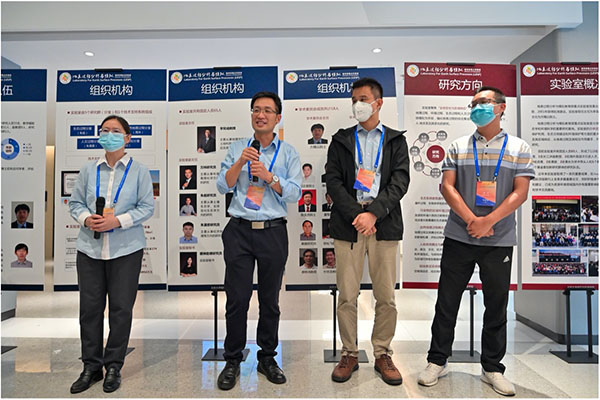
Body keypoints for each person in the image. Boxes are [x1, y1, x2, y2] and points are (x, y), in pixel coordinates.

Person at [417, 87, 534, 396]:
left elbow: (521, 191)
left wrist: (488, 221)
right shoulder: (458, 146)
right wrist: (472, 220)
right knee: (447, 301)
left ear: (501, 107)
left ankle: (492, 367)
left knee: (496, 305)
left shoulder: (518, 147)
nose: (476, 108)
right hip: (459, 235)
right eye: (473, 104)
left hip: (499, 238)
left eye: (483, 102)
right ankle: (437, 360)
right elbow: (447, 187)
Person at [216, 91, 302, 390]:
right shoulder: (238, 147)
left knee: (269, 300)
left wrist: (269, 176)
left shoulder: (288, 152)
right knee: (237, 299)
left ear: (278, 118)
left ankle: (267, 357)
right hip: (239, 231)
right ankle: (232, 359)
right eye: (255, 109)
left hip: (273, 231)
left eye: (267, 110)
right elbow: (222, 185)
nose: (260, 115)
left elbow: (294, 193)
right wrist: (240, 161)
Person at [326, 77, 409, 386]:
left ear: (378, 102)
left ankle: (382, 353)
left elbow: (400, 181)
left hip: (384, 222)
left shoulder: (395, 140)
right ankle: (349, 353)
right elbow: (333, 180)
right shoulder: (341, 140)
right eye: (354, 100)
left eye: (362, 99)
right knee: (347, 295)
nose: (357, 105)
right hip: (349, 225)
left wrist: (373, 213)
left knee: (385, 296)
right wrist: (358, 214)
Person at [68, 115, 154, 394]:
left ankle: (114, 365)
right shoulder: (88, 170)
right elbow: (75, 203)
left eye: (116, 131)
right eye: (105, 130)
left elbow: (146, 207)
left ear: (127, 138)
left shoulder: (139, 171)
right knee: (89, 309)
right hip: (89, 249)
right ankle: (91, 366)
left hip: (126, 249)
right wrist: (86, 218)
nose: (109, 134)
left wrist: (117, 221)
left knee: (121, 309)